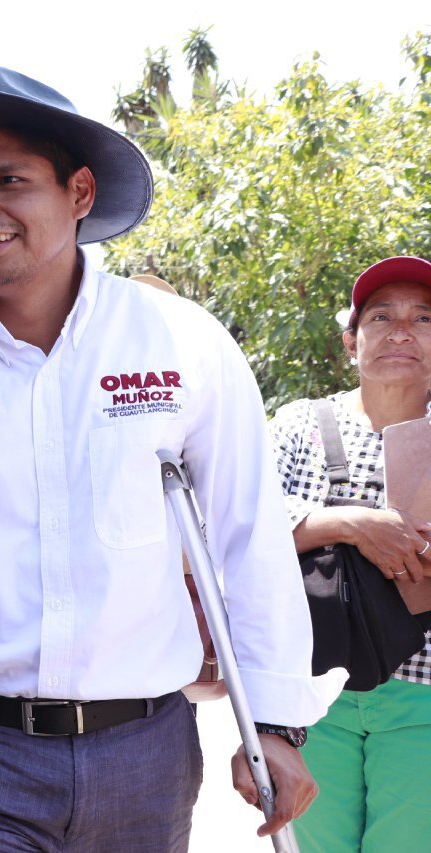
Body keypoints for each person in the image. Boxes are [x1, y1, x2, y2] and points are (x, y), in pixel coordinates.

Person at [0, 66, 344, 850]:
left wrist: (275, 721)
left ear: (79, 194)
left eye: (9, 180)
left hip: (144, 754)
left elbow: (248, 536)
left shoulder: (182, 346)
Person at [268, 255, 431, 851]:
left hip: (425, 692)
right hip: (312, 689)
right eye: (381, 316)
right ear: (350, 342)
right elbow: (235, 534)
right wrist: (349, 524)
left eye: (422, 317)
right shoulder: (297, 426)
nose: (400, 330)